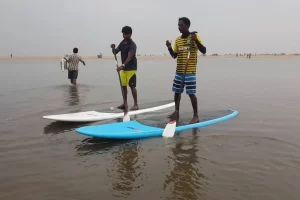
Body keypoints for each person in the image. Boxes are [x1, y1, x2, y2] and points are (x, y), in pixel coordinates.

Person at [165, 17, 206, 124]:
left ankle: (196, 116)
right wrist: (169, 47)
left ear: (187, 26)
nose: (179, 27)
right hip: (179, 71)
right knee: (177, 93)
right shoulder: (178, 40)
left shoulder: (194, 37)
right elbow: (174, 55)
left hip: (190, 71)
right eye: (178, 25)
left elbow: (204, 50)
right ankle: (176, 112)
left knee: (191, 93)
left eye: (181, 25)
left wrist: (196, 40)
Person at [110, 26, 139, 111]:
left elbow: (129, 57)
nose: (124, 35)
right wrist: (113, 48)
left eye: (126, 34)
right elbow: (116, 51)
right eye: (123, 33)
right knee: (123, 86)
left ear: (130, 34)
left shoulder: (132, 45)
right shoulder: (122, 43)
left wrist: (122, 66)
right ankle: (125, 103)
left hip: (131, 68)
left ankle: (136, 104)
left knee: (132, 86)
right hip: (124, 69)